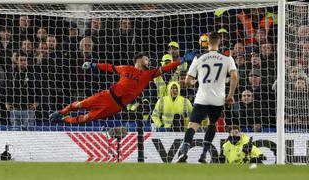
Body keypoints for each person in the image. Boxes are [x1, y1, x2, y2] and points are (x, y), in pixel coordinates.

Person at [49, 52, 196, 124]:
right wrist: (93, 65)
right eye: (147, 58)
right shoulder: (125, 68)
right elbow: (109, 67)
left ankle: (63, 120)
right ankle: (61, 112)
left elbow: (166, 68)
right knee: (81, 104)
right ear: (139, 59)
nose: (149, 61)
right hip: (107, 95)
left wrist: (180, 60)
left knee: (87, 118)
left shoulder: (149, 74)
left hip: (116, 106)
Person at [177, 31, 238, 163]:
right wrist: (230, 95)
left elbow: (187, 80)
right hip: (218, 100)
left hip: (202, 98)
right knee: (212, 124)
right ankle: (204, 154)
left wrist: (194, 82)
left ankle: (184, 152)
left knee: (193, 125)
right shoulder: (227, 58)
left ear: (207, 42)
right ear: (219, 42)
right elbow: (234, 76)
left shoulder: (199, 58)